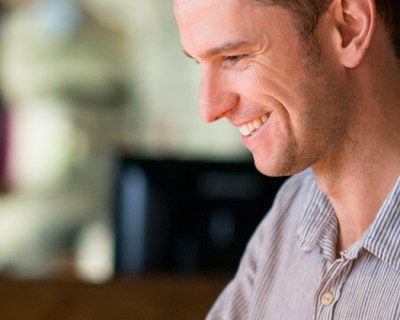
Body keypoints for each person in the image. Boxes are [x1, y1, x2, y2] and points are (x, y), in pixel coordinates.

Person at [174, 0, 400, 318]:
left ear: (348, 28)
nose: (209, 109)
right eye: (200, 63)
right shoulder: (290, 215)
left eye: (235, 57)